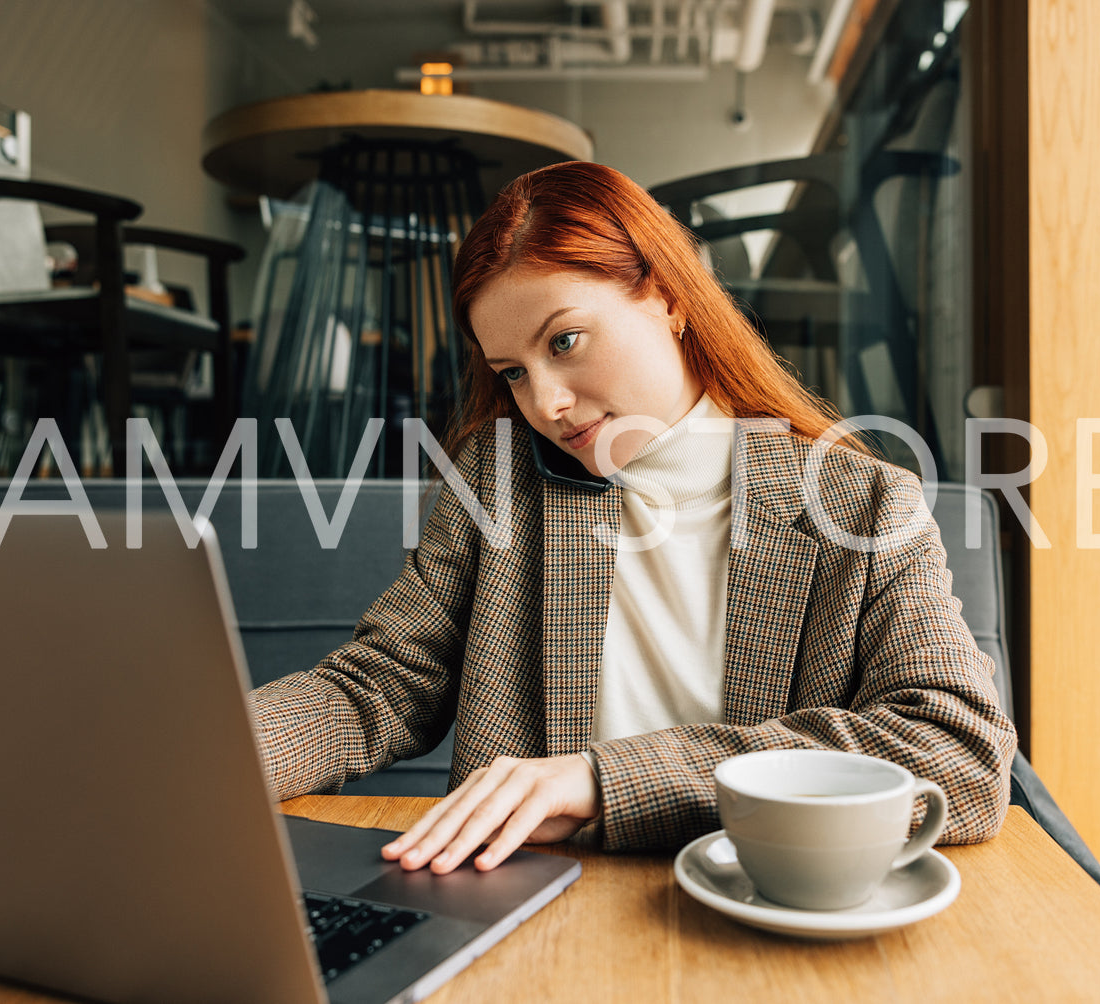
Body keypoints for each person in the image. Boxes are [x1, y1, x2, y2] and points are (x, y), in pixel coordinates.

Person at [247, 161, 1016, 876]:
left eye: (565, 341)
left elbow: (959, 753)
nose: (544, 403)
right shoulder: (498, 479)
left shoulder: (865, 504)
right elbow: (376, 689)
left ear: (669, 298)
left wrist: (601, 780)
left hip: (758, 904)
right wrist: (203, 746)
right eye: (513, 372)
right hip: (532, 897)